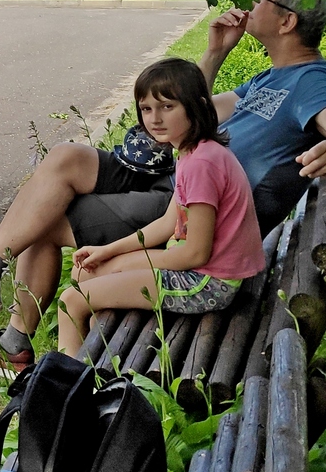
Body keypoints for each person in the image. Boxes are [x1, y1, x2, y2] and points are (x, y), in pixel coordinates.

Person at [0, 0, 326, 372]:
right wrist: (215, 53)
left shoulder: (313, 82)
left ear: (287, 21)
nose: (251, 2)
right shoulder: (272, 77)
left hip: (199, 204)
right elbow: (193, 111)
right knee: (66, 157)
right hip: (176, 179)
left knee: (43, 223)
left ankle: (12, 343)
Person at [55, 58, 265, 355]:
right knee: (84, 274)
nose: (155, 119)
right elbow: (168, 224)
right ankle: (96, 366)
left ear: (197, 106)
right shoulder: (193, 152)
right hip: (199, 271)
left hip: (207, 283)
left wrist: (129, 263)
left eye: (168, 107)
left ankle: (65, 391)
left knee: (71, 301)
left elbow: (196, 253)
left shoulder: (202, 164)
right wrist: (109, 252)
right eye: (146, 109)